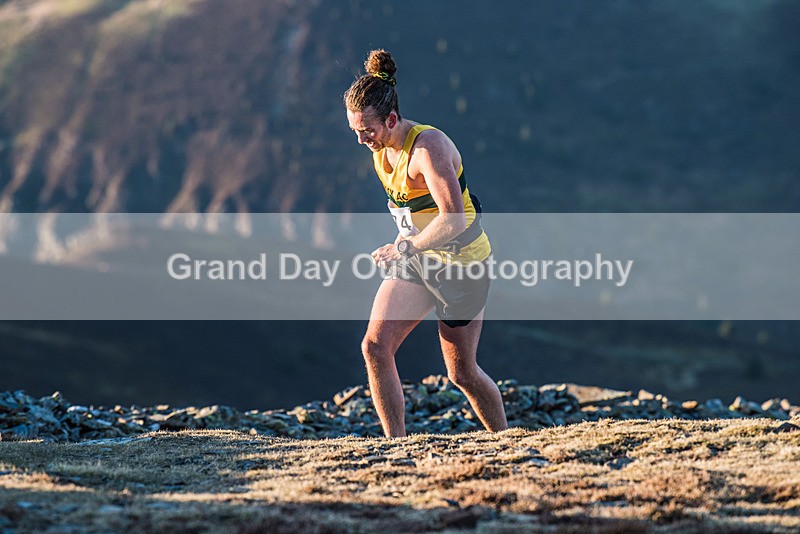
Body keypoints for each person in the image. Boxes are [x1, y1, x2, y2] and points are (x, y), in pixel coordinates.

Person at [343, 49, 508, 437]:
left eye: (366, 130)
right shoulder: (381, 149)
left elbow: (453, 218)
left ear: (393, 119)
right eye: (354, 130)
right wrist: (404, 244)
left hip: (462, 264)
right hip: (419, 258)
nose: (361, 139)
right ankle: (395, 449)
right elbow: (412, 213)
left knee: (461, 373)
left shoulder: (427, 148)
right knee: (375, 348)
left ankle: (505, 441)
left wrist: (404, 248)